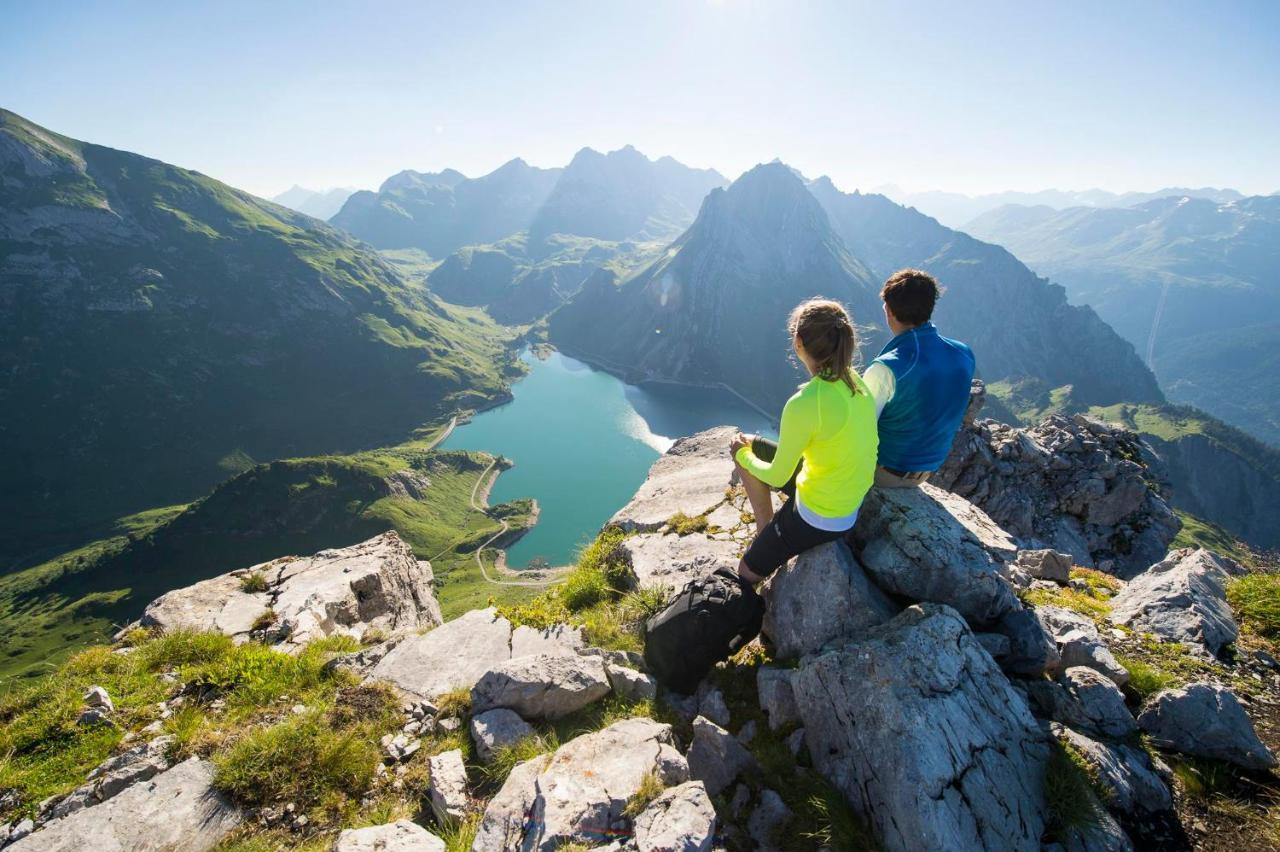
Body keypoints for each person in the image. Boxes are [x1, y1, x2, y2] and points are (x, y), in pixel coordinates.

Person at [730, 299, 878, 584]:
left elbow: (777, 475)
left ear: (798, 342)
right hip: (848, 502)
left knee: (745, 572)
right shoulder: (857, 382)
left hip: (819, 517)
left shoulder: (805, 403)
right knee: (751, 442)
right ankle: (768, 534)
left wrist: (742, 456)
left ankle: (769, 537)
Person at [861, 268, 975, 488]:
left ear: (889, 311)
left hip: (884, 470)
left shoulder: (888, 368)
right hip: (926, 470)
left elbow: (859, 427)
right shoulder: (964, 354)